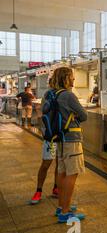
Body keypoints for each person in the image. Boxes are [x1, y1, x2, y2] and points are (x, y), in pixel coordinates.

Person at [51, 67, 87, 223]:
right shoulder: (68, 95)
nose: (73, 79)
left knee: (62, 172)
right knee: (72, 174)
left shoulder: (53, 94)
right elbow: (84, 115)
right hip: (71, 138)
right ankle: (65, 213)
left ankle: (61, 206)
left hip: (59, 138)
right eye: (72, 77)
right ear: (66, 78)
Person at [29, 76, 59, 205]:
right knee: (46, 164)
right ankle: (38, 190)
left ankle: (56, 187)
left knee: (60, 164)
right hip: (51, 136)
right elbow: (43, 114)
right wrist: (44, 130)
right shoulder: (49, 95)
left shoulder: (66, 94)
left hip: (63, 135)